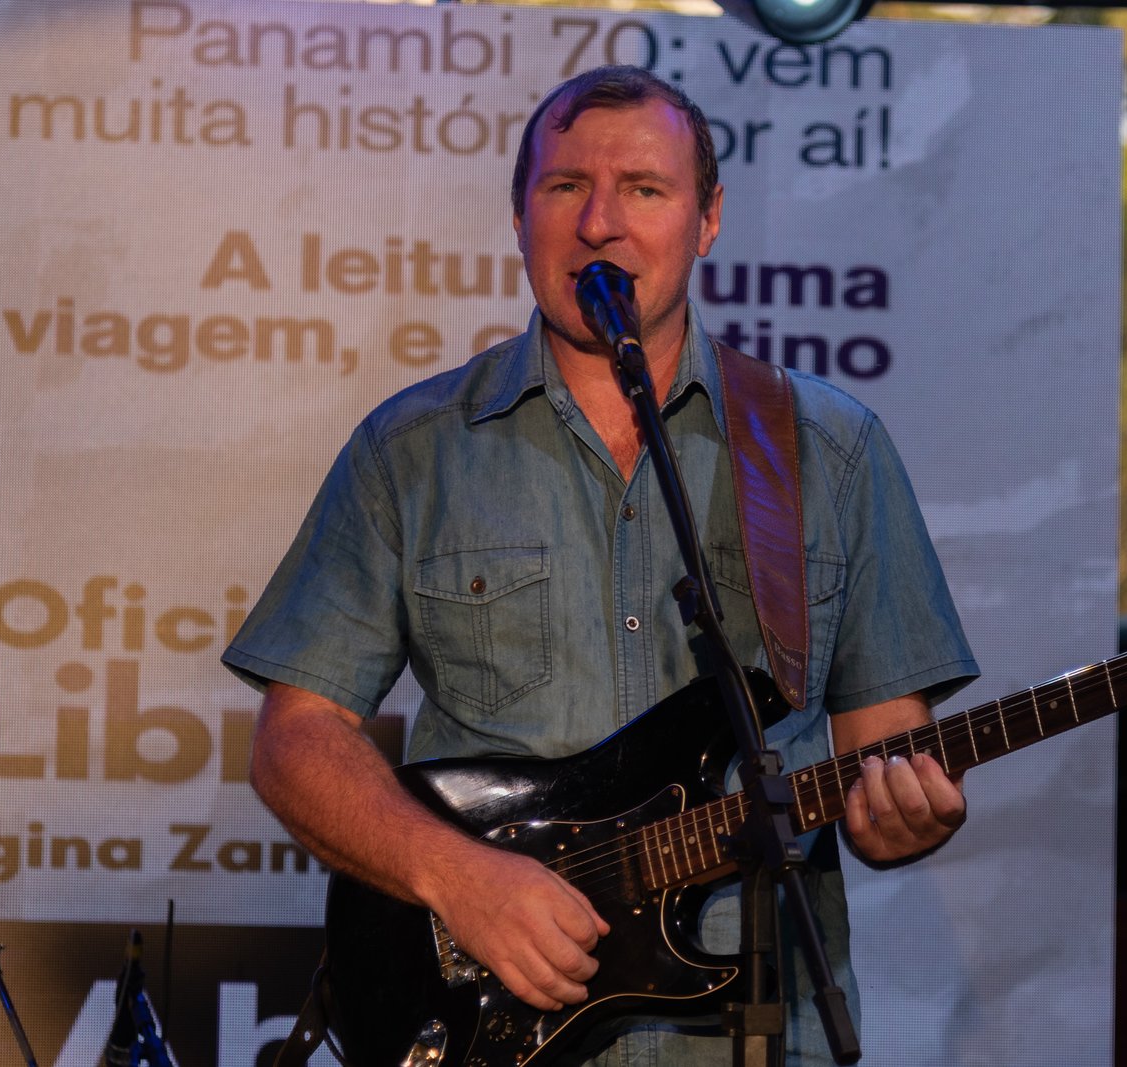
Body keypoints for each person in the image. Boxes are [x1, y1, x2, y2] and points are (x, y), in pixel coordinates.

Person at [223, 65, 978, 1066]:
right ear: (519, 216)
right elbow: (296, 739)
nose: (600, 224)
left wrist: (905, 817)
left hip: (746, 1039)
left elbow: (885, 774)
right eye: (566, 186)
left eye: (645, 189)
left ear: (707, 219)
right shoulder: (412, 449)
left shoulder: (828, 449)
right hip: (490, 1025)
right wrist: (460, 879)